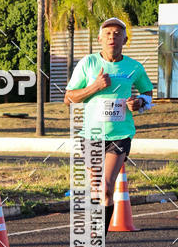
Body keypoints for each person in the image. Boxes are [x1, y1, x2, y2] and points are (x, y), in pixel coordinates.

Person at [64, 17, 153, 234]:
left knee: (106, 187)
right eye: (107, 33)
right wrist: (95, 86)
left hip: (120, 135)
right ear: (100, 39)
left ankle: (97, 238)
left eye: (117, 33)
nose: (112, 37)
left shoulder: (134, 67)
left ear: (125, 39)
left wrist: (140, 102)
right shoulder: (88, 63)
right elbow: (69, 98)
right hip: (91, 135)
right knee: (96, 190)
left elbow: (148, 93)